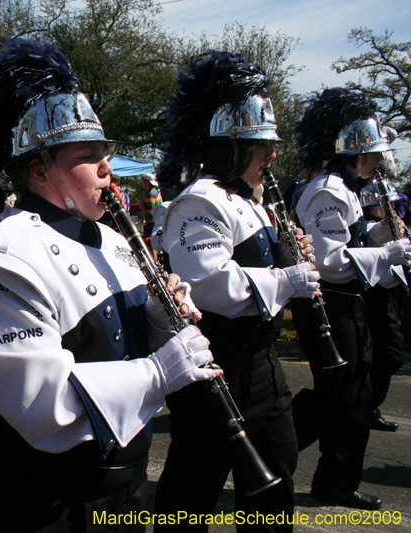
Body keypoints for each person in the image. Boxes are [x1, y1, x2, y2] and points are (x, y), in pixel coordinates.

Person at [0, 39, 218, 532]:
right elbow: (43, 403)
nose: (107, 168)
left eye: (104, 153)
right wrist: (160, 372)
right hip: (44, 500)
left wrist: (155, 317)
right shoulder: (0, 259)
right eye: (87, 156)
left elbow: (116, 341)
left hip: (120, 478)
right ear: (39, 169)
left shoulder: (112, 238)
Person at [153, 51, 320, 532]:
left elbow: (258, 267)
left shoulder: (253, 202)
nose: (272, 155)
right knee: (193, 488)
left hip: (263, 363)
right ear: (233, 146)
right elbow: (210, 285)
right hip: (221, 362)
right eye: (261, 144)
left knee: (276, 475)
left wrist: (293, 253)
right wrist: (288, 279)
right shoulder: (201, 200)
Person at [291, 88, 411, 510]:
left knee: (352, 395)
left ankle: (335, 479)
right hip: (331, 300)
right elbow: (330, 261)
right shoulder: (328, 191)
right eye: (374, 154)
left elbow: (352, 241)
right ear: (355, 154)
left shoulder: (347, 188)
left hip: (348, 300)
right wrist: (386, 253)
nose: (380, 162)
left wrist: (382, 235)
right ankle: (274, 448)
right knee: (341, 395)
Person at [358, 184, 404, 432]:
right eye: (386, 203)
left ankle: (370, 409)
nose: (391, 208)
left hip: (391, 293)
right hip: (373, 294)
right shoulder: (366, 226)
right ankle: (363, 406)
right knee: (389, 353)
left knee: (386, 354)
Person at [140, 173, 162, 238]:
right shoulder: (155, 191)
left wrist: (142, 207)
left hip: (151, 223)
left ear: (147, 182)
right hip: (156, 221)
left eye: (143, 182)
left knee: (149, 244)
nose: (142, 184)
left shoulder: (151, 195)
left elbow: (150, 211)